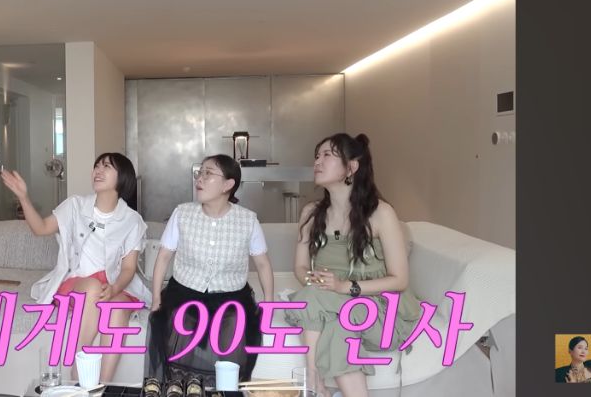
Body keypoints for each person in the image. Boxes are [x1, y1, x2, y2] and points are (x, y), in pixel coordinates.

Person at [285, 133, 420, 397]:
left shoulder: (380, 213)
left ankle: (312, 379)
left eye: (327, 155)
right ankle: (319, 386)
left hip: (381, 312)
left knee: (312, 299)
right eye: (316, 156)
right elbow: (300, 268)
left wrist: (343, 287)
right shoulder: (311, 213)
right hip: (340, 308)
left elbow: (400, 280)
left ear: (352, 167)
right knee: (339, 327)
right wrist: (319, 283)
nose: (317, 162)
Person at [0, 153, 150, 382]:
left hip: (113, 284)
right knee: (92, 287)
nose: (98, 170)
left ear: (123, 178)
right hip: (78, 283)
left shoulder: (132, 220)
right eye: (97, 166)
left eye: (106, 167)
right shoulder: (75, 205)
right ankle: (78, 371)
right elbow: (40, 228)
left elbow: (129, 268)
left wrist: (114, 288)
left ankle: (102, 386)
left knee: (117, 308)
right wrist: (24, 197)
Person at [147, 154, 275, 387]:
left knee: (235, 334)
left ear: (228, 184)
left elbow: (263, 264)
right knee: (178, 333)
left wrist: (269, 302)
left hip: (231, 298)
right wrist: (156, 297)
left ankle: (226, 388)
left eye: (208, 173)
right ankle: (181, 388)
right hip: (184, 293)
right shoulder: (182, 213)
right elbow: (164, 256)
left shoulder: (248, 220)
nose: (200, 178)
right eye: (200, 172)